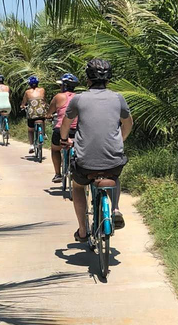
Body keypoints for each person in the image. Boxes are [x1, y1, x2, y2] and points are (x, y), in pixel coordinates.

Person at [60, 59, 133, 242]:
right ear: (109, 78)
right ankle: (114, 208)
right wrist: (120, 140)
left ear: (88, 79)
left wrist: (64, 140)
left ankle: (83, 230)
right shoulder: (118, 98)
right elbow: (128, 123)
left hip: (86, 163)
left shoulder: (79, 99)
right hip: (113, 159)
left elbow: (65, 124)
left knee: (78, 187)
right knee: (114, 176)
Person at [46, 73, 79, 184]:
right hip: (77, 130)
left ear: (64, 86)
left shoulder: (58, 97)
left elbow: (50, 112)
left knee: (55, 149)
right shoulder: (79, 97)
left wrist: (49, 115)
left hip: (60, 129)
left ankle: (57, 174)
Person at [20, 76, 46, 153]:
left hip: (32, 114)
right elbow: (44, 99)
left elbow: (23, 103)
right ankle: (44, 134)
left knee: (30, 129)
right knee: (43, 119)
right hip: (41, 112)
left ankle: (31, 145)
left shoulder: (27, 92)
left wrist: (22, 106)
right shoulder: (42, 90)